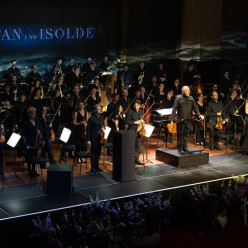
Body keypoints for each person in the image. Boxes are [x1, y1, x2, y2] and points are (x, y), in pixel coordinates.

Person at [170, 86, 204, 153]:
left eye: (188, 90)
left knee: (186, 134)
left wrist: (199, 115)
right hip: (180, 120)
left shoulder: (191, 98)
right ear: (183, 91)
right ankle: (180, 148)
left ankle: (185, 147)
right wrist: (172, 119)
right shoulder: (178, 99)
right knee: (180, 135)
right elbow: (174, 109)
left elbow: (195, 107)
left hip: (188, 120)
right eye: (186, 90)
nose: (188, 92)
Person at [22, 107, 43, 177]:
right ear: (29, 114)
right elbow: (24, 135)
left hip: (36, 142)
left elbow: (41, 129)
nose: (34, 115)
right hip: (29, 142)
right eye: (32, 113)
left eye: (35, 113)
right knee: (29, 158)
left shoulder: (37, 121)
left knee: (35, 157)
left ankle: (34, 170)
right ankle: (30, 170)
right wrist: (26, 144)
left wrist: (39, 131)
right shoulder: (26, 123)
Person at [86, 104, 105, 173]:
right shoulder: (91, 119)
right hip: (93, 137)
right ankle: (93, 167)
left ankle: (97, 166)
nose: (100, 110)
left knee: (98, 152)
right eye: (98, 109)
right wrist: (88, 140)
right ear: (95, 111)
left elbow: (103, 125)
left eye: (100, 109)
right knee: (93, 152)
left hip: (100, 137)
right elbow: (88, 130)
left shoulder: (102, 117)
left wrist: (104, 128)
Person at [126, 99, 144, 165]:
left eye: (137, 105)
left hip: (139, 131)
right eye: (135, 105)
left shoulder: (141, 111)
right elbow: (127, 121)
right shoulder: (130, 112)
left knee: (138, 146)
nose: (135, 106)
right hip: (132, 131)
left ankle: (137, 159)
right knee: (131, 146)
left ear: (139, 106)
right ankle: (130, 160)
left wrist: (143, 120)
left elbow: (143, 118)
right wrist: (134, 122)